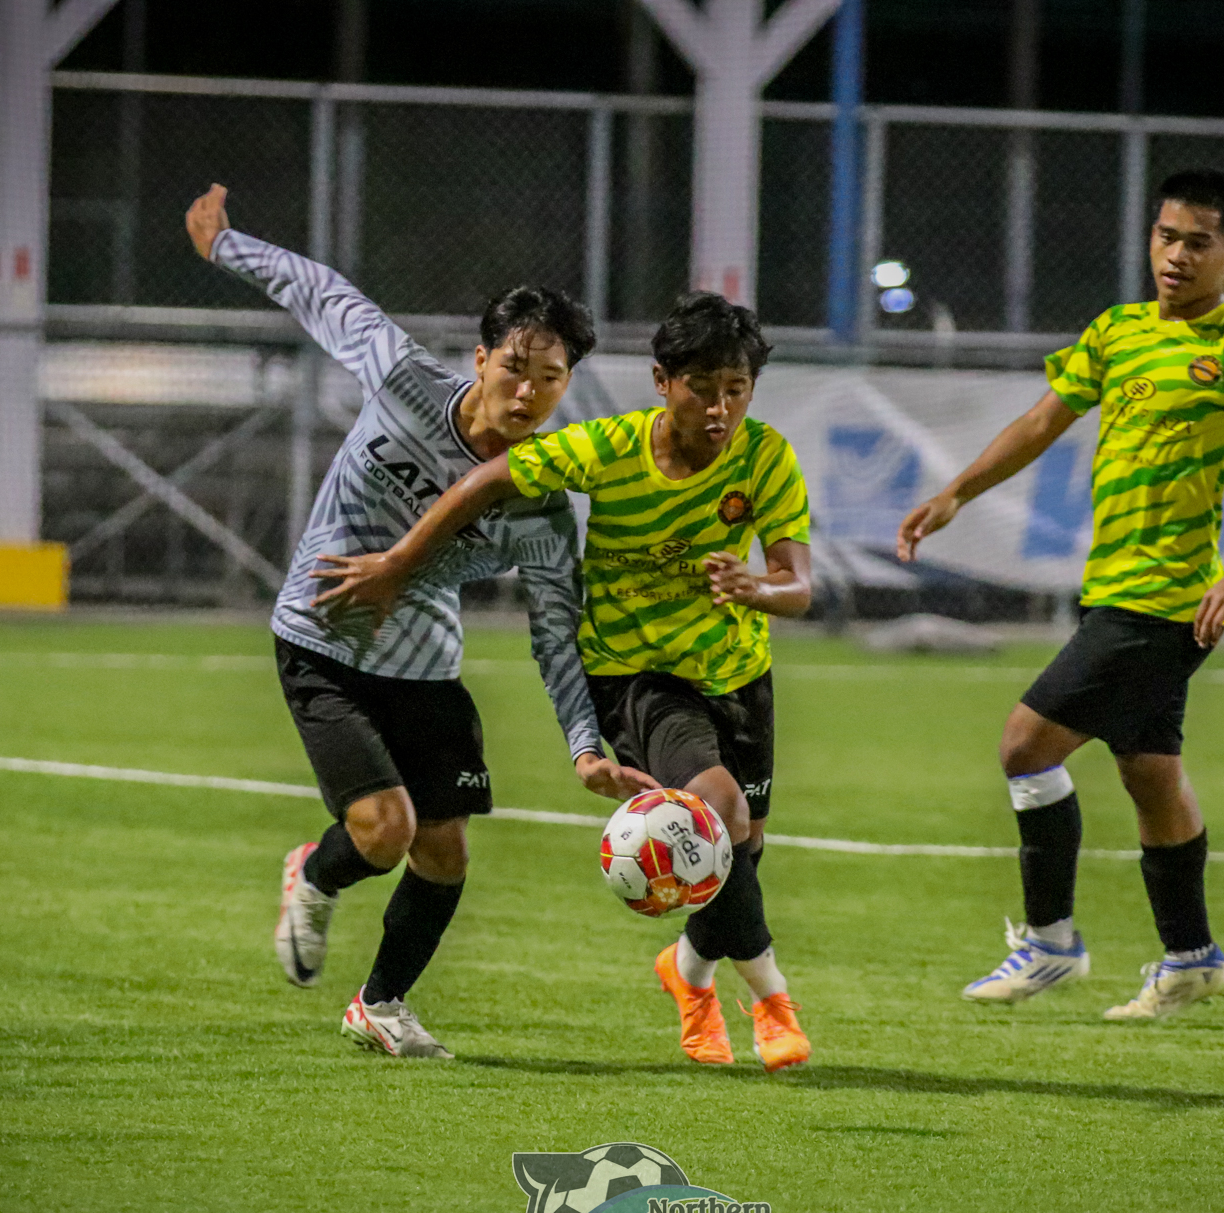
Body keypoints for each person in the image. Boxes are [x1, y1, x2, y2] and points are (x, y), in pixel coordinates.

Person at [185, 184, 652, 1059]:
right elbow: (325, 292)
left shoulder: (543, 505)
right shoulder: (402, 380)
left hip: (426, 670)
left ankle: (381, 1002)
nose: (528, 391)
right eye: (516, 367)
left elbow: (558, 634)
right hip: (321, 643)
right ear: (480, 359)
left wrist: (586, 744)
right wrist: (224, 245)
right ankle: (316, 874)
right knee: (384, 832)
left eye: (551, 378)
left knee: (444, 853)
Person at [317, 293, 816, 1072]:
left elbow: (798, 586)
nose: (719, 407)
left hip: (738, 673)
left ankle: (687, 974)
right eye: (702, 388)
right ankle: (774, 1002)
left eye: (736, 390)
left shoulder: (766, 458)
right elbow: (485, 482)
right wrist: (397, 562)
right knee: (715, 813)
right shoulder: (608, 448)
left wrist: (758, 588)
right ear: (661, 380)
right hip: (635, 674)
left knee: (740, 849)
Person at [897, 169, 1224, 1022]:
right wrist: (958, 491)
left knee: (1025, 746)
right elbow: (1039, 422)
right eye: (1166, 236)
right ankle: (1193, 958)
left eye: (1198, 242)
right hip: (1114, 589)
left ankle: (1052, 943)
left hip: (1168, 602)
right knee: (1150, 774)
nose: (1175, 255)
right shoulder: (1119, 331)